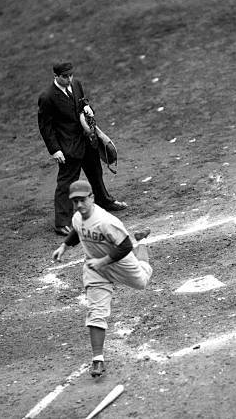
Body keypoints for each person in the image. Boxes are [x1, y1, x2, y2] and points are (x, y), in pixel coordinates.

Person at [52, 180, 153, 377]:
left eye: (82, 200)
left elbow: (124, 247)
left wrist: (103, 261)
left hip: (119, 262)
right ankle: (97, 360)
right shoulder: (77, 218)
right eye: (75, 201)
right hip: (95, 269)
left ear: (92, 198)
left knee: (142, 281)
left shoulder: (106, 221)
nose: (79, 205)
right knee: (96, 311)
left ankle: (141, 240)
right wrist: (64, 246)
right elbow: (77, 230)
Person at [38, 61, 127, 236]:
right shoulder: (47, 97)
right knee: (66, 182)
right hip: (68, 146)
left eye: (70, 75)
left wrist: (88, 108)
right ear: (56, 76)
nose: (69, 79)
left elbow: (82, 104)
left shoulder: (76, 84)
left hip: (87, 140)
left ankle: (103, 200)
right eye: (65, 77)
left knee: (95, 172)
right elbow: (45, 127)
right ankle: (62, 223)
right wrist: (55, 150)